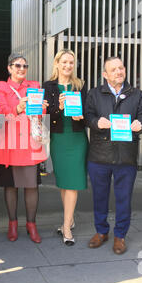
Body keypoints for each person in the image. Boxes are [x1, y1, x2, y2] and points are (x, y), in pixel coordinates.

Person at [85, 57, 142, 255]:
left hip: (126, 156)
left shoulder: (137, 94)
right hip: (99, 156)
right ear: (105, 75)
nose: (118, 72)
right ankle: (101, 231)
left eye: (121, 68)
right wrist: (97, 122)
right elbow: (87, 116)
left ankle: (120, 235)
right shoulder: (94, 94)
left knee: (124, 198)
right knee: (99, 198)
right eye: (113, 69)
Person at [0, 53, 48, 243]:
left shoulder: (34, 86)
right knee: (11, 186)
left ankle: (32, 225)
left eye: (24, 66)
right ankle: (13, 224)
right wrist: (18, 107)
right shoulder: (1, 86)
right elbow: (0, 112)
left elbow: (39, 113)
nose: (21, 69)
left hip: (30, 142)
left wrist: (42, 107)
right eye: (17, 66)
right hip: (9, 143)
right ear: (9, 68)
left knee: (32, 185)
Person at [43, 50, 88, 246]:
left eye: (71, 62)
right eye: (64, 62)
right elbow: (46, 113)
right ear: (57, 64)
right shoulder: (49, 86)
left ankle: (67, 227)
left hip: (77, 138)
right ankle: (68, 219)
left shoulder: (80, 85)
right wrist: (59, 108)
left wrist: (82, 116)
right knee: (63, 182)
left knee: (73, 183)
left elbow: (88, 111)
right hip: (59, 139)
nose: (68, 66)